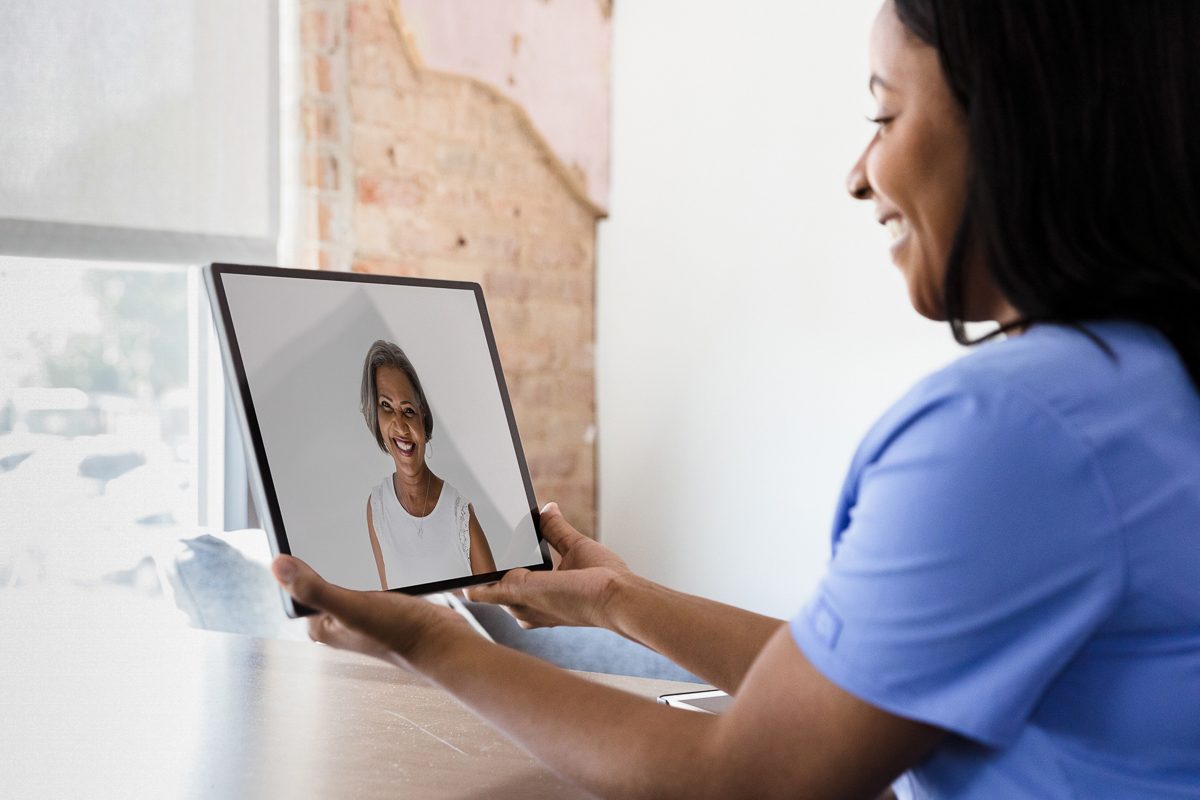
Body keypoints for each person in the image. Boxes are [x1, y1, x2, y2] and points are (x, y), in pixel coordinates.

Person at [273, 2, 1200, 796]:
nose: (858, 173)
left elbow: (749, 777)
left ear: (1014, 124)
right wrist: (613, 598)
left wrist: (431, 647)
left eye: (883, 117)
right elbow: (854, 684)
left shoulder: (1016, 429)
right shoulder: (1140, 379)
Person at [360, 340, 496, 589]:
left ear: (423, 414)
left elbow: (496, 604)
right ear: (374, 416)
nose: (401, 426)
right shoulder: (377, 506)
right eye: (386, 407)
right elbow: (392, 604)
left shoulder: (459, 512)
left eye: (408, 410)